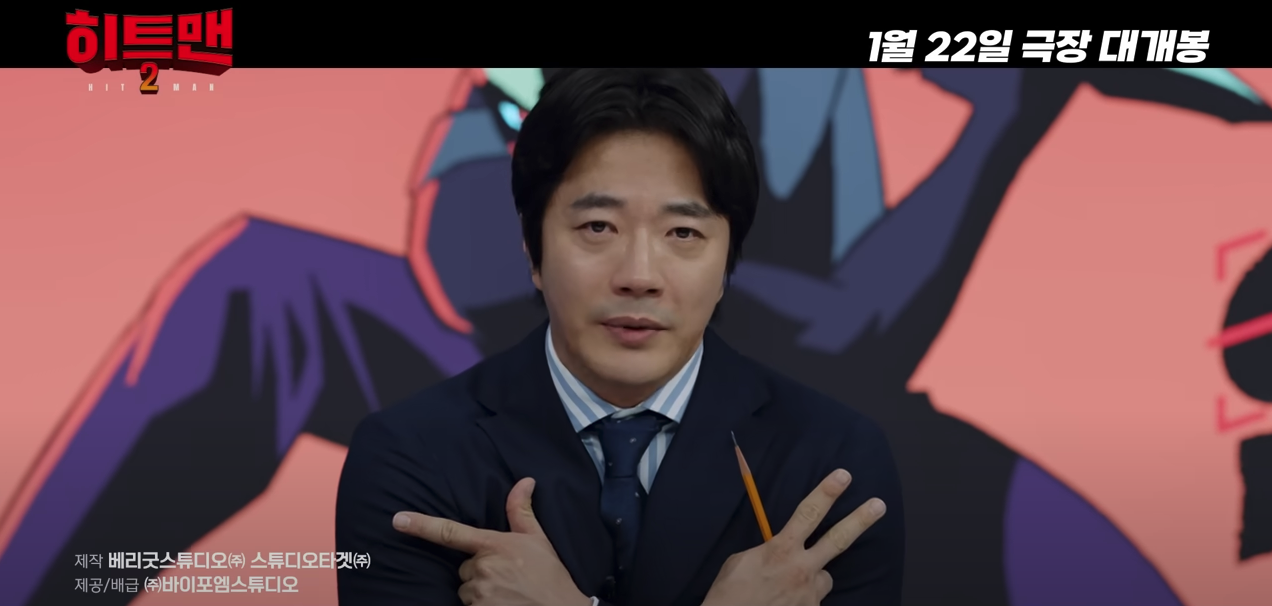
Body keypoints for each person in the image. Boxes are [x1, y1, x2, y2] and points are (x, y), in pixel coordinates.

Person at [334, 67, 905, 606]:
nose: (639, 276)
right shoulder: (411, 453)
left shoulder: (831, 460)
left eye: (683, 232)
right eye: (597, 227)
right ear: (533, 251)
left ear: (727, 262)